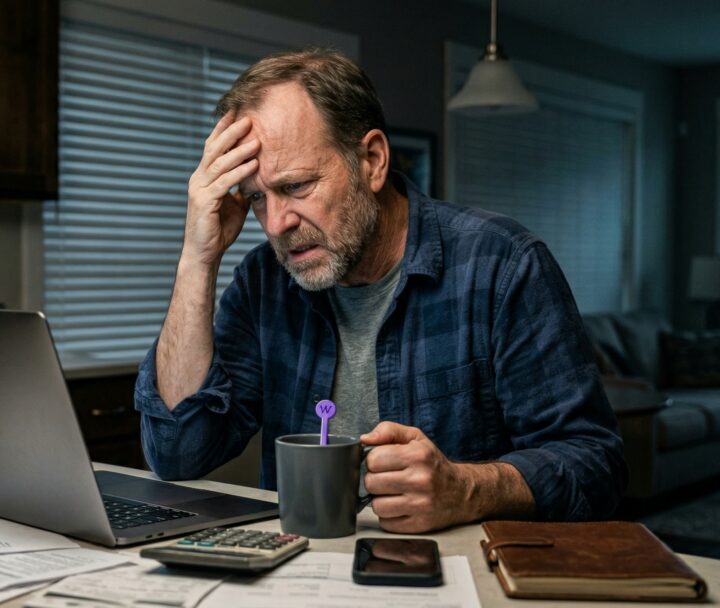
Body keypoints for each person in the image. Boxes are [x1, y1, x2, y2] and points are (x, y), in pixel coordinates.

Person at [134, 48, 626, 533]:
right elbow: (180, 452)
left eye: (298, 186)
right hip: (300, 572)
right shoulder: (266, 281)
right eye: (258, 197)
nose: (277, 223)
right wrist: (198, 260)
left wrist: (465, 488)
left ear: (371, 160)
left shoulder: (503, 265)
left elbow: (595, 466)